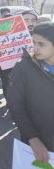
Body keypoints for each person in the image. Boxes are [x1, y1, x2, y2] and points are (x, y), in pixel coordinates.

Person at [7, 22, 54, 163]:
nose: (36, 48)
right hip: (40, 142)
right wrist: (32, 138)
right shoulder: (23, 68)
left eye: (41, 44)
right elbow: (15, 105)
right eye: (34, 42)